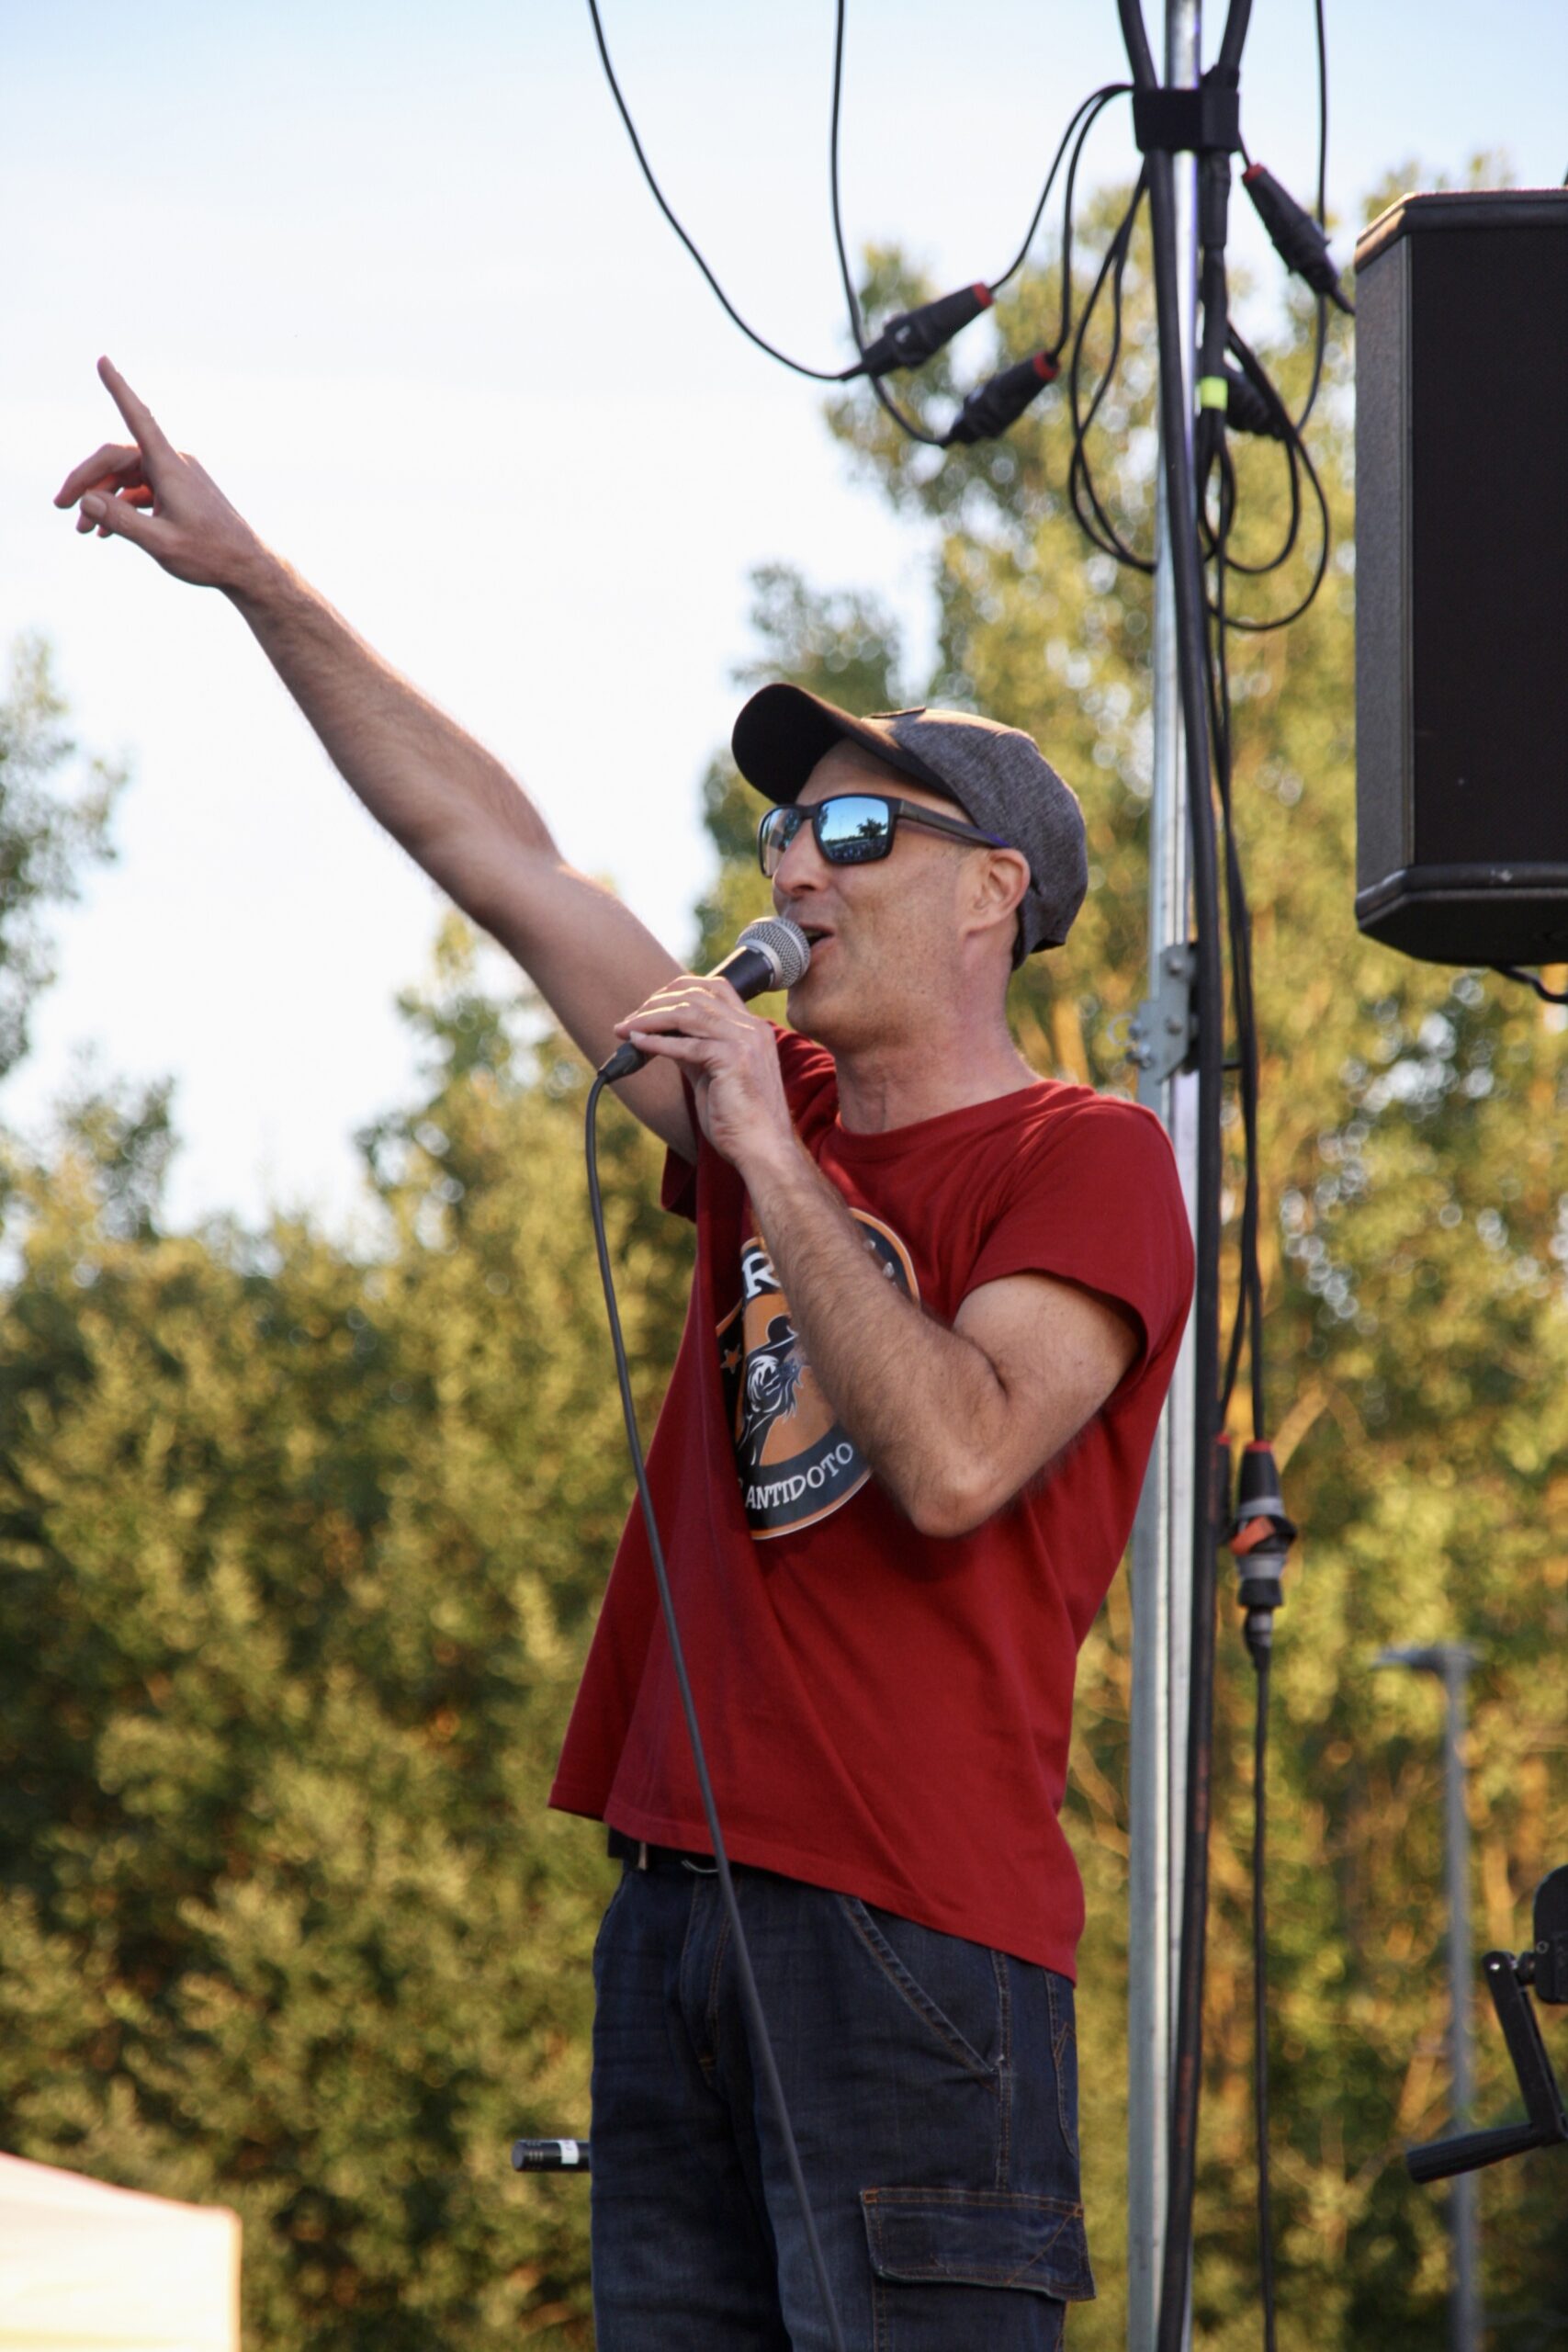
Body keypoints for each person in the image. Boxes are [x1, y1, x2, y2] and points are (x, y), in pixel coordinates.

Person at [59, 357, 1194, 2350]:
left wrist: (765, 1152)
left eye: (856, 826)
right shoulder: (781, 1113)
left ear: (992, 894)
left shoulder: (1080, 1158)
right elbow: (500, 859)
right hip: (674, 1909)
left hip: (908, 1933)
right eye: (782, 830)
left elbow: (955, 1458)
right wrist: (251, 577)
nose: (795, 868)